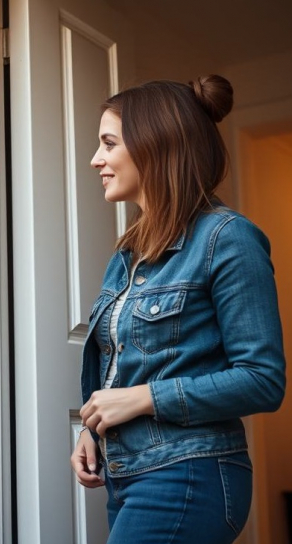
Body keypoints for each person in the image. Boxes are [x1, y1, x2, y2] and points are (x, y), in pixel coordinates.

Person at [70, 74, 286, 543]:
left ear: (155, 144)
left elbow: (262, 380)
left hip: (190, 473)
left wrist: (143, 397)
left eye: (108, 143)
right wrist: (96, 431)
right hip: (128, 475)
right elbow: (124, 362)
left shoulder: (227, 238)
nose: (96, 159)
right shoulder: (129, 252)